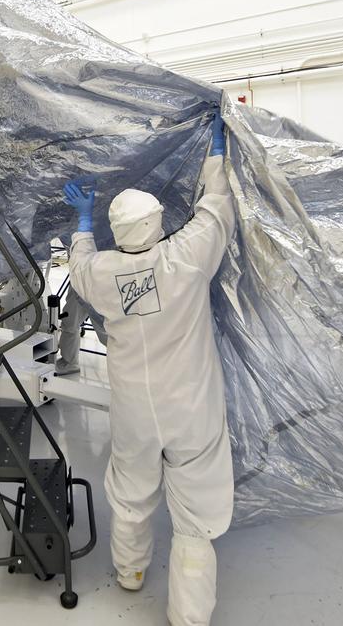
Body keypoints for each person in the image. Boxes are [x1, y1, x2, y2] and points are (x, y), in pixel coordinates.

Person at [64, 112, 236, 625]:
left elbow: (78, 265)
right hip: (192, 409)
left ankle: (130, 573)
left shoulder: (103, 274)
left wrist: (83, 220)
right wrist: (217, 152)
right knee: (195, 515)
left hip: (136, 410)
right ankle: (189, 616)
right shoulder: (187, 257)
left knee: (132, 490)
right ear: (158, 222)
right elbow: (215, 206)